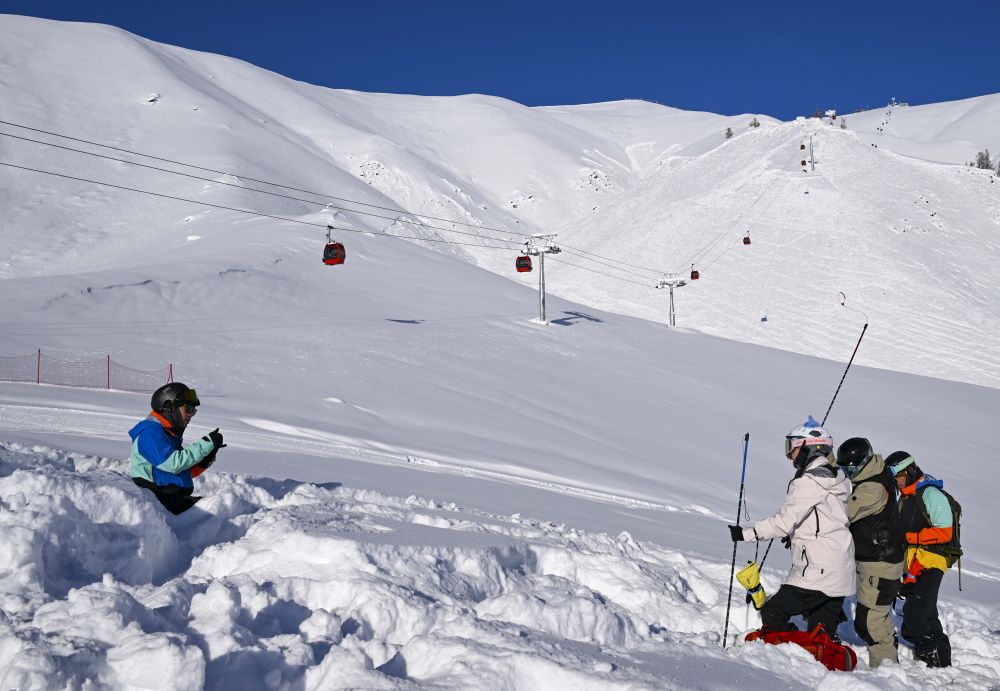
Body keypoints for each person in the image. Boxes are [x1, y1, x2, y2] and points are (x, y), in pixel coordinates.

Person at [729, 416, 855, 638]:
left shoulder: (809, 481)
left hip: (818, 569)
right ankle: (817, 664)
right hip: (840, 569)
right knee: (821, 635)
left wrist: (746, 534)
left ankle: (790, 651)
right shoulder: (836, 478)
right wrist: (799, 531)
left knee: (772, 613)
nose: (789, 456)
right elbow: (825, 519)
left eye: (792, 448)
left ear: (809, 449)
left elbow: (784, 521)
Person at [837, 437, 904, 667]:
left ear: (862, 464)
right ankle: (889, 658)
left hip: (879, 562)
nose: (847, 473)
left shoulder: (871, 489)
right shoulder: (878, 471)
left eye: (850, 469)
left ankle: (886, 670)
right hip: (881, 560)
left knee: (869, 622)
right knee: (878, 614)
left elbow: (842, 513)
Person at [888, 451, 954, 668]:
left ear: (910, 472)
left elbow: (945, 532)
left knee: (917, 616)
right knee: (921, 613)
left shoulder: (931, 494)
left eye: (898, 477)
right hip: (913, 564)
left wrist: (909, 537)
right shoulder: (904, 499)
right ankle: (933, 660)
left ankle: (938, 662)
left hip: (932, 562)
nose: (896, 483)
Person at [129, 382, 224, 514]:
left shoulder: (168, 435)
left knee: (219, 508)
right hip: (158, 499)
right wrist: (205, 444)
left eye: (193, 411)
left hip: (171, 498)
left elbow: (183, 471)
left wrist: (205, 459)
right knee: (216, 511)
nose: (191, 414)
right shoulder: (150, 433)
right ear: (170, 407)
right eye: (188, 409)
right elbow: (172, 464)